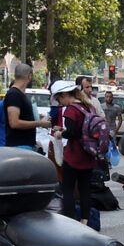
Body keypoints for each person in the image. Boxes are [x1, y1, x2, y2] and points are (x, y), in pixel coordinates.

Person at [50, 81, 94, 224]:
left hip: (74, 154)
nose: (59, 102)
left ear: (64, 95)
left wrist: (60, 134)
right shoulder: (87, 106)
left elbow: (72, 132)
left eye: (59, 99)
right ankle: (85, 220)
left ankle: (71, 222)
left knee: (67, 188)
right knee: (85, 189)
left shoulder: (71, 110)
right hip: (89, 153)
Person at [5, 63, 50, 149]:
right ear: (29, 76)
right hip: (19, 146)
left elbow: (21, 116)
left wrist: (37, 116)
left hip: (24, 145)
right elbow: (14, 122)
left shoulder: (20, 94)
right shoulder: (14, 94)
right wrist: (40, 123)